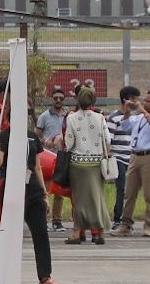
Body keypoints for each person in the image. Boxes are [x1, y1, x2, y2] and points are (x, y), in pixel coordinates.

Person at [0, 108, 65, 284]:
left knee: (41, 232)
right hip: (11, 187)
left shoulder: (31, 137)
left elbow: (37, 167)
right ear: (10, 120)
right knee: (6, 232)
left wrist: (44, 194)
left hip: (33, 188)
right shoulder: (3, 136)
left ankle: (45, 277)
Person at [111, 89, 150, 237]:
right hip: (134, 156)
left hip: (149, 157)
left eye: (148, 101)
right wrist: (127, 112)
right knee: (129, 193)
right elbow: (126, 126)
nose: (144, 103)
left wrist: (142, 111)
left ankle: (149, 225)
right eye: (144, 100)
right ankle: (125, 224)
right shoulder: (138, 118)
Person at [63, 87, 112, 245]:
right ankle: (99, 233)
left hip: (78, 164)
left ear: (78, 99)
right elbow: (107, 140)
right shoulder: (100, 117)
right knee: (97, 198)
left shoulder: (71, 118)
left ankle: (77, 232)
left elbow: (69, 143)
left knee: (79, 200)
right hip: (97, 164)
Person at [105, 86, 139, 226]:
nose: (137, 102)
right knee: (122, 189)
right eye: (135, 99)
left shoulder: (136, 117)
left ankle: (126, 218)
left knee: (131, 191)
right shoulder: (113, 118)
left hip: (131, 158)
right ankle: (118, 219)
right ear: (127, 100)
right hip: (119, 158)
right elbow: (109, 140)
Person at [37, 88, 70, 232]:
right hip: (47, 157)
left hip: (62, 156)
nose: (58, 100)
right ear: (52, 99)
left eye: (61, 98)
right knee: (44, 189)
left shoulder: (68, 117)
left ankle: (57, 221)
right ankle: (42, 220)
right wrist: (47, 142)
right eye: (55, 98)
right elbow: (37, 136)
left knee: (59, 190)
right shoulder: (44, 116)